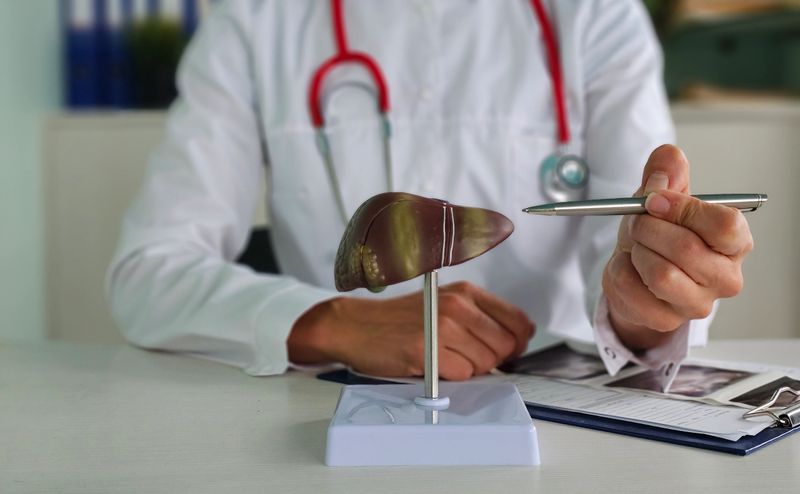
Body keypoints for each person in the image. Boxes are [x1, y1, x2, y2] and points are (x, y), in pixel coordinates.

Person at [107, 0, 753, 388]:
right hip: (336, 408)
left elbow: (626, 248)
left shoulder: (594, 14)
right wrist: (330, 321)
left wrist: (650, 290)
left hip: (565, 421)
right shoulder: (255, 22)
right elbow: (147, 274)